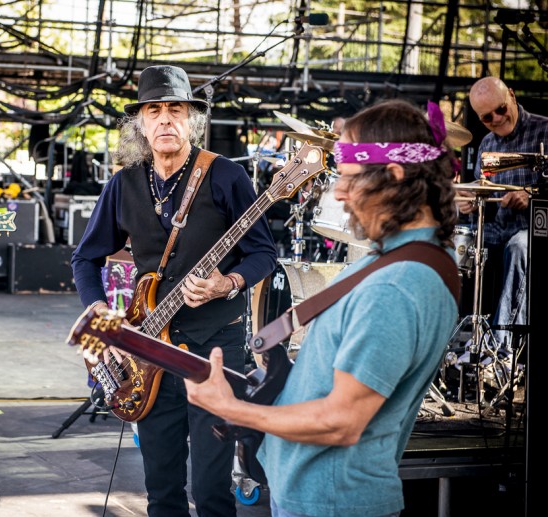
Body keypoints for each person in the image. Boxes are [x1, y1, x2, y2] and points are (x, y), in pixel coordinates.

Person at [185, 99, 460, 517]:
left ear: (394, 177)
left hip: (331, 504)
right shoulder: (393, 261)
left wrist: (230, 409)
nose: (339, 192)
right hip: (313, 497)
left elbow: (341, 421)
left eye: (350, 179)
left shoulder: (398, 285)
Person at [71, 65, 277, 516]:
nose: (165, 119)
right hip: (148, 350)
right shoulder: (123, 184)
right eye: (154, 110)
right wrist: (103, 323)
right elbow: (84, 259)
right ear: (141, 123)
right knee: (161, 491)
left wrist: (229, 282)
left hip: (214, 351)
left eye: (175, 110)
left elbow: (264, 253)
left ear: (192, 120)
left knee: (211, 489)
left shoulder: (225, 177)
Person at [457, 77, 548, 347]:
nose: (497, 118)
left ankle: (501, 348)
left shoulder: (544, 130)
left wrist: (532, 195)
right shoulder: (487, 144)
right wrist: (471, 202)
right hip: (498, 228)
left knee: (519, 246)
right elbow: (482, 191)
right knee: (455, 243)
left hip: (535, 228)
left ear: (511, 94)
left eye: (501, 109)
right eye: (487, 117)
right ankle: (446, 336)